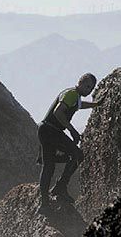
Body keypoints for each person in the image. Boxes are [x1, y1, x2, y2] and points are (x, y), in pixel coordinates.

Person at [37, 73, 101, 212]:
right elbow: (58, 112)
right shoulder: (72, 94)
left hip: (44, 129)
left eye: (91, 88)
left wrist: (95, 104)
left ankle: (44, 204)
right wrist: (72, 130)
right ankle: (60, 187)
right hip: (52, 130)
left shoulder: (73, 95)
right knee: (77, 155)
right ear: (80, 82)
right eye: (87, 86)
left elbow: (78, 105)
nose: (89, 90)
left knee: (49, 166)